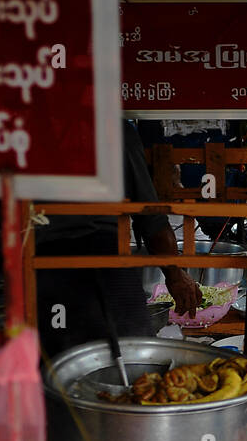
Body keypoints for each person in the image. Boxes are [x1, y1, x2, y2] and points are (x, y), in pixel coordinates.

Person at [36, 120, 200, 356]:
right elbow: (151, 218)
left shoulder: (19, 133)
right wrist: (175, 276)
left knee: (57, 369)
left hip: (42, 270)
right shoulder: (111, 128)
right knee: (134, 363)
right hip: (104, 264)